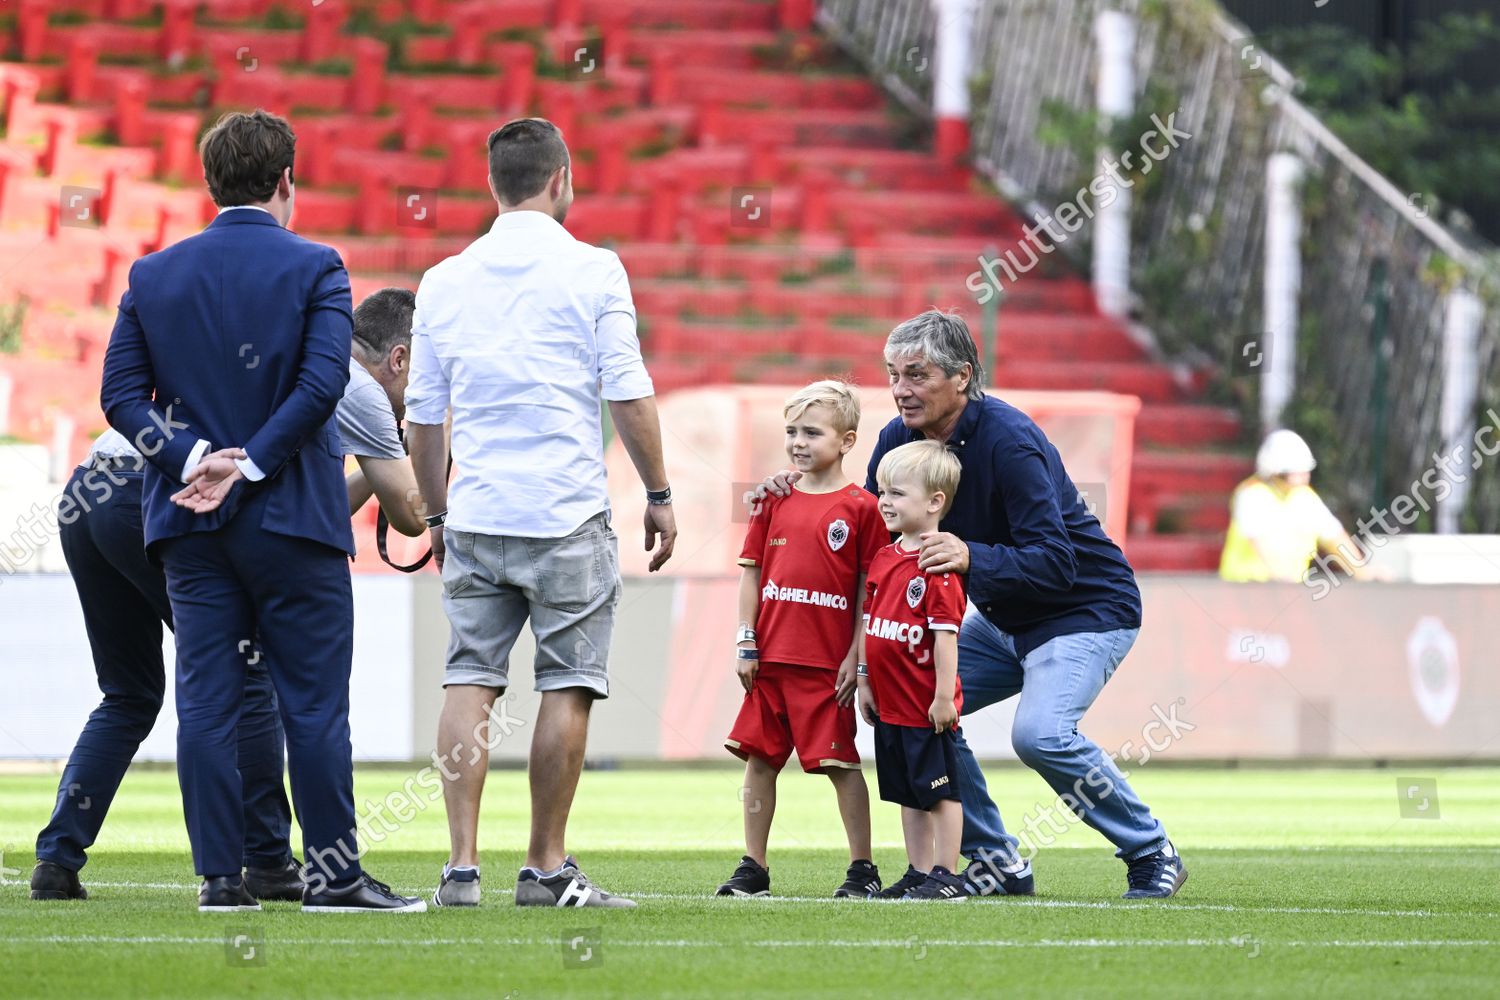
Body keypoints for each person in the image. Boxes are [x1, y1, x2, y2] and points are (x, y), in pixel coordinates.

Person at [99, 109, 422, 913]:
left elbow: (119, 397)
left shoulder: (153, 275)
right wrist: (250, 463)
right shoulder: (318, 267)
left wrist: (192, 456)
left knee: (206, 703)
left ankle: (220, 879)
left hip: (187, 521)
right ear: (287, 181)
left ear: (211, 184)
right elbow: (322, 388)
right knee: (312, 705)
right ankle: (334, 878)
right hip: (294, 522)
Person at [756, 310, 1186, 899]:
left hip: (1087, 608)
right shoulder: (897, 440)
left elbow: (1056, 561)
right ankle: (997, 862)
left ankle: (1149, 848)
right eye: (893, 374)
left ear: (962, 377)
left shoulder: (1010, 440)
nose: (901, 389)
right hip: (1006, 618)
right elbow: (871, 533)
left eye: (917, 374)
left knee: (1040, 735)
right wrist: (793, 488)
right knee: (918, 713)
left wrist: (971, 555)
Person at [406, 117, 676, 909]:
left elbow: (425, 416)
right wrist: (658, 493)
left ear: (494, 184)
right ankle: (546, 867)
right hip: (565, 512)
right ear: (561, 177)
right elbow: (625, 391)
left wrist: (437, 516)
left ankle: (460, 869)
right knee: (568, 685)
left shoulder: (444, 279)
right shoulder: (596, 270)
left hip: (480, 512)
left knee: (469, 680)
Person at [29, 431, 299, 903]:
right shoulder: (314, 381)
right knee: (249, 669)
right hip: (149, 490)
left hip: (88, 487)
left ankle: (56, 858)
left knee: (128, 695)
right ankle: (268, 860)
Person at [715, 381, 884, 900]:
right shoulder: (773, 500)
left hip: (824, 665)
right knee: (760, 762)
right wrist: (747, 641)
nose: (798, 442)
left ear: (847, 440)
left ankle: (863, 869)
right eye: (792, 431)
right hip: (769, 660)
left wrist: (856, 658)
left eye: (812, 432)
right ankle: (754, 867)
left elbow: (867, 592)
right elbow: (751, 573)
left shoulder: (863, 508)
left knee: (841, 766)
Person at [858, 440, 969, 902]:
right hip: (890, 705)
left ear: (934, 502)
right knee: (907, 792)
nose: (884, 501)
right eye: (882, 491)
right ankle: (918, 870)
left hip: (925, 706)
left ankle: (946, 873)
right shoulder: (885, 558)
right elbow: (871, 620)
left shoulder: (938, 566)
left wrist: (944, 696)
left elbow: (945, 637)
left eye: (897, 493)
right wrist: (864, 676)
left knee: (940, 792)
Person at [1219, 429, 1372, 583]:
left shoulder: (1305, 497)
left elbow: (1334, 536)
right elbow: (1259, 540)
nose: (1303, 478)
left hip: (1289, 591)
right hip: (1245, 589)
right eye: (1294, 472)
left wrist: (1362, 573)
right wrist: (1279, 574)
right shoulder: (1252, 495)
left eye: (1304, 472)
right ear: (1275, 472)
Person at [338, 287, 426, 536]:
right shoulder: (361, 388)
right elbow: (413, 520)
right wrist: (441, 432)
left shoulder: (333, 364)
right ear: (399, 359)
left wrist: (394, 451)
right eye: (420, 374)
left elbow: (327, 511)